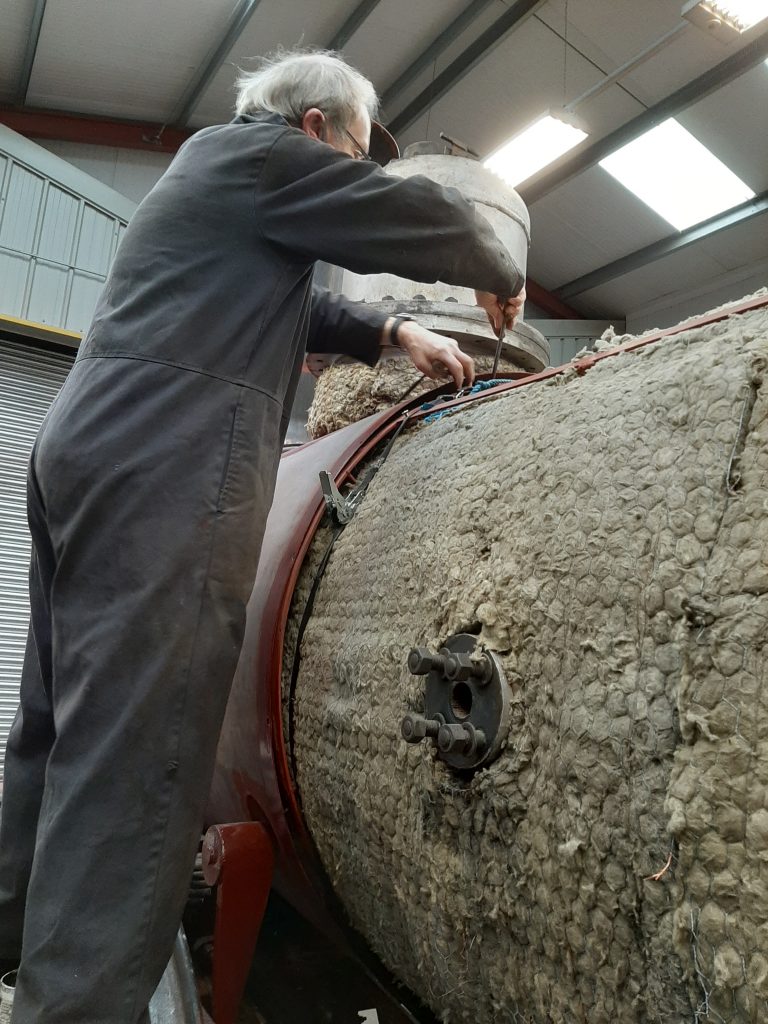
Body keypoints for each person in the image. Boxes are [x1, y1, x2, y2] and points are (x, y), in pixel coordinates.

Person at [0, 49, 525, 1023]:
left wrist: (388, 334)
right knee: (137, 759)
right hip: (165, 472)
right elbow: (416, 219)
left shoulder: (213, 179)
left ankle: (9, 929)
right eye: (355, 160)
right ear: (315, 128)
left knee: (57, 726)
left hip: (87, 453)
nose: (354, 181)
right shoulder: (260, 157)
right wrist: (498, 259)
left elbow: (301, 306)